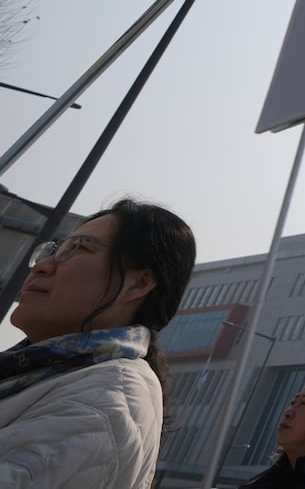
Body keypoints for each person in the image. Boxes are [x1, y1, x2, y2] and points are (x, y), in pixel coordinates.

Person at [0, 198, 196, 489]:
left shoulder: (101, 403)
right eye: (53, 251)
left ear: (139, 284)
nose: (41, 266)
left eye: (78, 249)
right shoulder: (50, 371)